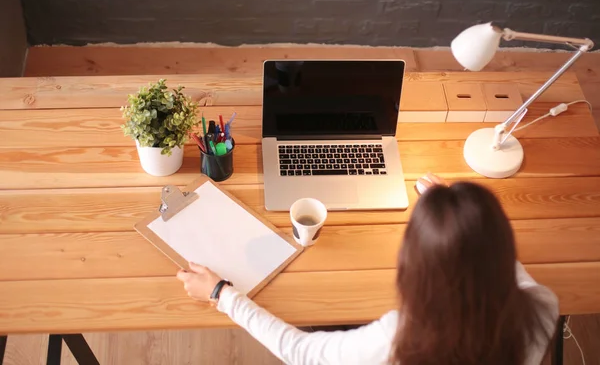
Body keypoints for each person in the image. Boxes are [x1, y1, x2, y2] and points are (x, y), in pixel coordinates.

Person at [176, 175, 558, 365]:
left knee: (317, 323)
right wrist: (455, 217)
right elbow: (500, 263)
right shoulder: (542, 307)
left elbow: (301, 352)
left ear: (417, 267)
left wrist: (220, 294)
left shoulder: (399, 337)